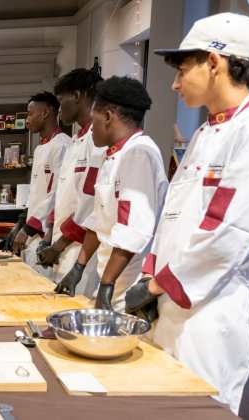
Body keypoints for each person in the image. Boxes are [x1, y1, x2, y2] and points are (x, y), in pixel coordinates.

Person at [124, 13, 249, 415]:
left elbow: (227, 232)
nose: (175, 84)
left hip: (209, 314)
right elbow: (173, 216)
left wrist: (157, 285)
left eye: (182, 71)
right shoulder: (203, 133)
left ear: (214, 62)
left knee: (198, 409)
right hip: (170, 302)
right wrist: (150, 274)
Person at [54, 76, 167, 311]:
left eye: (93, 119)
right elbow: (99, 219)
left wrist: (107, 284)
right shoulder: (113, 155)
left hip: (131, 287)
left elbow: (131, 229)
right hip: (113, 279)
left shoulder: (138, 154)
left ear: (107, 116)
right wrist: (78, 267)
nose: (91, 128)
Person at [36, 68, 104, 298]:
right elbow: (62, 196)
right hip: (63, 248)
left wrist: (58, 245)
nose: (59, 108)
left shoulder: (98, 139)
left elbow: (92, 206)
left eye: (61, 100)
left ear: (77, 96)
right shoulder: (76, 141)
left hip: (83, 251)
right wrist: (49, 239)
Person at [12, 92, 69, 277]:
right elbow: (37, 194)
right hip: (32, 231)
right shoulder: (39, 149)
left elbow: (57, 195)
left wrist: (28, 229)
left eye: (30, 114)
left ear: (45, 113)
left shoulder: (63, 145)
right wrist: (21, 223)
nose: (27, 120)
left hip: (46, 233)